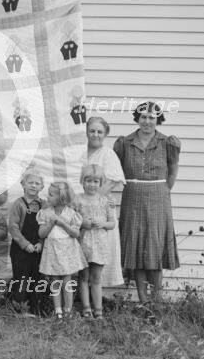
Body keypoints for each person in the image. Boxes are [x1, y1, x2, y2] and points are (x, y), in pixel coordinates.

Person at [114, 101, 181, 303]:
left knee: (155, 249)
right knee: (136, 250)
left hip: (159, 198)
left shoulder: (168, 142)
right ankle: (143, 302)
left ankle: (156, 301)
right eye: (143, 116)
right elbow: (115, 171)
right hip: (133, 198)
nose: (147, 121)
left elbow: (173, 169)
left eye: (152, 117)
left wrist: (161, 190)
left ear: (158, 119)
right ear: (137, 118)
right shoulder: (124, 143)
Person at [83, 116, 126, 287]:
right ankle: (81, 295)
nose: (95, 135)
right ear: (86, 132)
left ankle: (97, 295)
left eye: (99, 132)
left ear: (105, 134)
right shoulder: (79, 151)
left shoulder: (108, 154)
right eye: (92, 131)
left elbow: (111, 181)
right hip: (80, 205)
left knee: (99, 247)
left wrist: (92, 201)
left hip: (100, 206)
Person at [37, 182, 86, 319]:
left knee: (66, 280)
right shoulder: (46, 213)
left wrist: (63, 224)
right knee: (55, 280)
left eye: (51, 195)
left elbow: (76, 234)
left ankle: (68, 310)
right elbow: (41, 234)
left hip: (66, 251)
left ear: (62, 198)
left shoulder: (71, 214)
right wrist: (51, 223)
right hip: (52, 250)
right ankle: (58, 310)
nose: (48, 197)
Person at [77, 165, 114, 320]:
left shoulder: (104, 201)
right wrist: (83, 222)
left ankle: (98, 309)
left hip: (99, 243)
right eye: (89, 181)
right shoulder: (77, 199)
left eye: (96, 181)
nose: (92, 184)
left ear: (100, 183)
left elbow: (112, 223)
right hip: (83, 242)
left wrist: (103, 224)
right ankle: (86, 309)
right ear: (83, 181)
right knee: (83, 276)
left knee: (96, 277)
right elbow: (72, 220)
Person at [8, 168, 45, 314]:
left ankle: (36, 309)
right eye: (30, 182)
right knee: (21, 278)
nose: (33, 186)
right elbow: (13, 227)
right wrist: (25, 244)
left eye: (37, 183)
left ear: (42, 187)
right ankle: (19, 309)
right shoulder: (18, 204)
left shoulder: (45, 205)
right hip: (20, 249)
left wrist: (41, 243)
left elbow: (47, 226)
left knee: (36, 279)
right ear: (23, 184)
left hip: (38, 249)